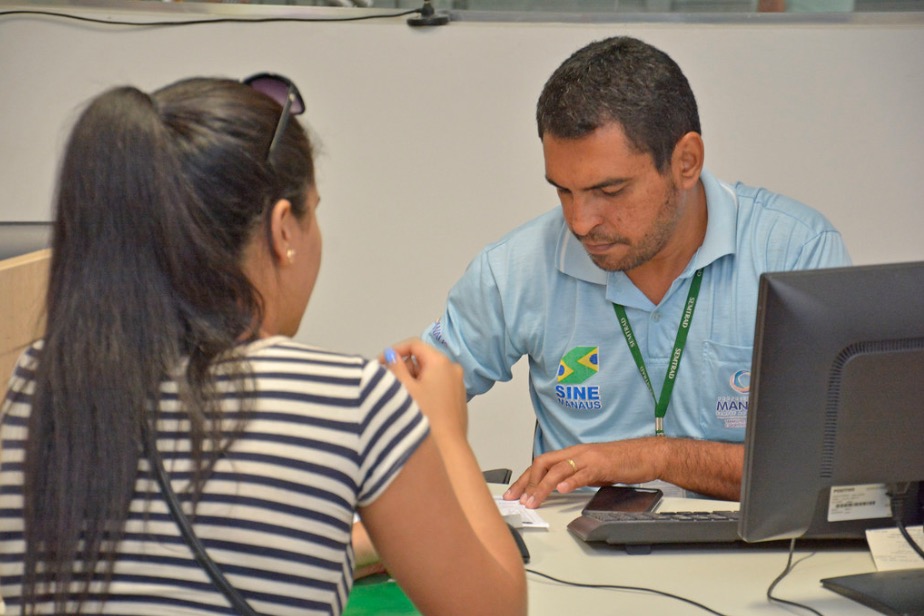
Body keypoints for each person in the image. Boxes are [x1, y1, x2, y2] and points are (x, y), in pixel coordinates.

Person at [0, 75, 526, 615]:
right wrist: (444, 432)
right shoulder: (350, 398)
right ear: (283, 230)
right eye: (313, 211)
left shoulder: (40, 381)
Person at [421, 36, 851, 508]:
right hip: (574, 563)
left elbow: (828, 466)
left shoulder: (794, 253)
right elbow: (404, 402)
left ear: (685, 162)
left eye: (610, 190)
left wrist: (658, 457)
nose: (581, 223)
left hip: (752, 557)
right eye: (563, 190)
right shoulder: (515, 267)